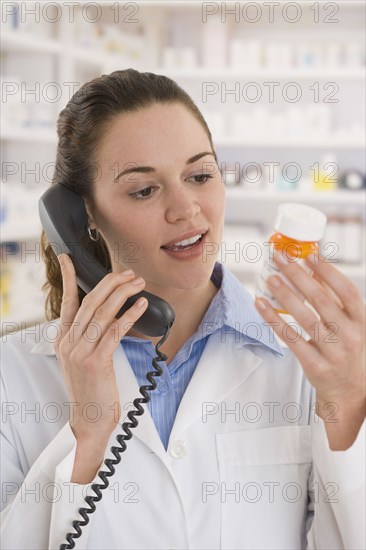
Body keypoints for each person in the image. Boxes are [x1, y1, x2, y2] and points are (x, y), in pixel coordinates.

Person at [1, 69, 365, 550]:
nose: (187, 209)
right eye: (144, 190)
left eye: (199, 176)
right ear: (82, 216)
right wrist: (87, 436)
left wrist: (348, 404)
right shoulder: (13, 372)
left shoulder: (308, 362)